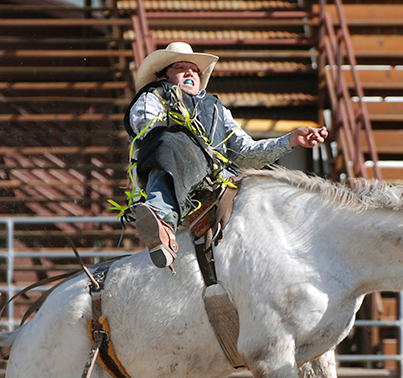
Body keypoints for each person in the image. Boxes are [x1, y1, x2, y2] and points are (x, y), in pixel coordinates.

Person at [125, 41, 329, 269]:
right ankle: (162, 222)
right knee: (169, 142)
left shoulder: (215, 108)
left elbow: (246, 153)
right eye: (181, 68)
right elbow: (147, 128)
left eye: (194, 70)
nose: (190, 72)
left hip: (217, 182)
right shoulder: (152, 97)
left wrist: (290, 139)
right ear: (161, 77)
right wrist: (186, 135)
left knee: (265, 192)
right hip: (174, 169)